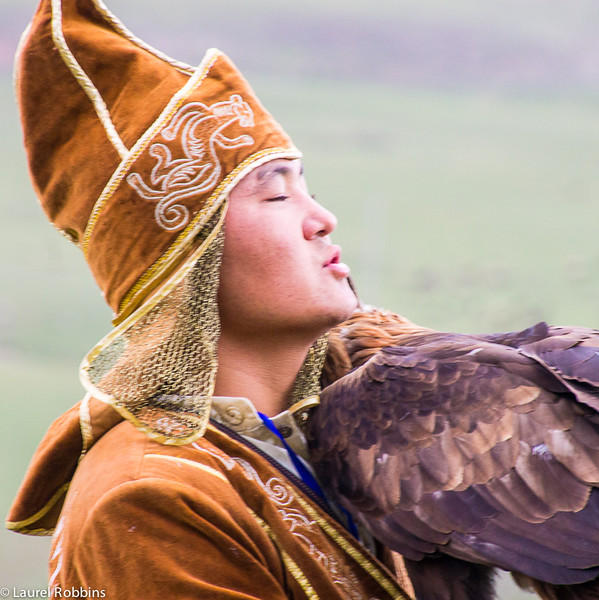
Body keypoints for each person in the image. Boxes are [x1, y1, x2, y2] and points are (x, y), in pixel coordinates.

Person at [6, 0, 414, 598]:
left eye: (310, 191)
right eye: (276, 198)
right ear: (185, 261)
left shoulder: (341, 435)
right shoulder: (150, 498)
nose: (322, 218)